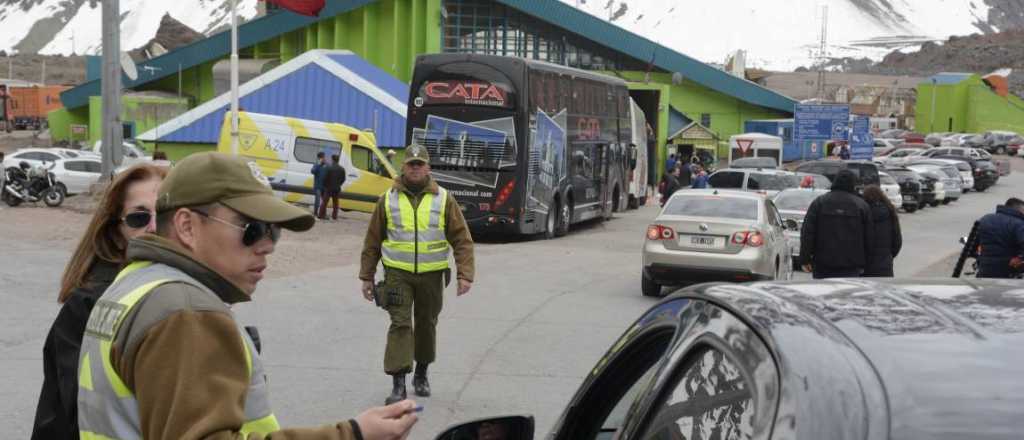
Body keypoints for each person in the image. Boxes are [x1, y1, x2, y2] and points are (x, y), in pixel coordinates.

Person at [75, 152, 418, 439]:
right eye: (251, 229)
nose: (267, 246)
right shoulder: (186, 311)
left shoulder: (132, 284)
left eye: (274, 231)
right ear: (187, 226)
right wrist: (351, 434)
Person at [31, 164, 167, 439]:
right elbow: (82, 410)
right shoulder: (91, 303)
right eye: (139, 218)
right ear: (117, 234)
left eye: (165, 215)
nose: (154, 227)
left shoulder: (180, 291)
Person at [359, 144, 475, 405]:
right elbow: (372, 241)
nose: (414, 168)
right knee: (400, 324)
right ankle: (398, 382)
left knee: (426, 324)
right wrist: (366, 276)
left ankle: (421, 373)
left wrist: (464, 273)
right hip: (397, 274)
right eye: (410, 164)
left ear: (428, 168)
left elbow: (462, 239)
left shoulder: (444, 198)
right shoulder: (387, 198)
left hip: (432, 276)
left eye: (419, 164)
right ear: (403, 167)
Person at [800, 169, 874, 278]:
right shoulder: (861, 206)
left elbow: (807, 233)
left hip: (823, 263)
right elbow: (869, 238)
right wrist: (867, 263)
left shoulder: (819, 202)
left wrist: (805, 259)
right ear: (853, 184)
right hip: (851, 265)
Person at [976, 197, 1024, 278]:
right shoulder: (1019, 224)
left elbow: (974, 242)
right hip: (1009, 270)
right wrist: (1020, 258)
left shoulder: (985, 219)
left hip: (984, 268)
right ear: (1019, 210)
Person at [862, 185, 902, 277]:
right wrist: (888, 256)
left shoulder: (862, 212)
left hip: (865, 265)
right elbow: (897, 241)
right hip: (884, 265)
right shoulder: (890, 213)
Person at [320, 154, 346, 220]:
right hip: (337, 188)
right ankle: (334, 216)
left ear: (332, 159)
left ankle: (321, 215)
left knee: (325, 202)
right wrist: (339, 184)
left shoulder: (328, 168)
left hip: (328, 188)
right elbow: (343, 179)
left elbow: (324, 178)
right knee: (335, 203)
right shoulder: (342, 169)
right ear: (338, 160)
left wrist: (325, 185)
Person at [311, 151, 326, 216]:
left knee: (324, 201)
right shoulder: (316, 164)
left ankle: (323, 213)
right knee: (317, 200)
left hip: (325, 186)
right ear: (319, 158)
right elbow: (313, 171)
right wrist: (319, 164)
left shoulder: (326, 164)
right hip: (318, 186)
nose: (324, 158)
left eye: (324, 157)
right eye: (323, 157)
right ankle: (315, 212)